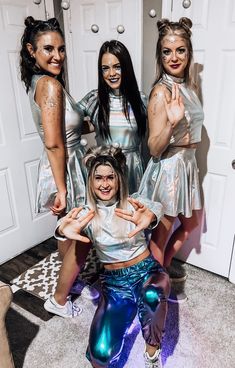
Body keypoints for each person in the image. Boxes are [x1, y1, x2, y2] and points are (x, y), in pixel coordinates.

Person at [45, 146, 170, 368]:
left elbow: (156, 207)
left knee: (152, 294)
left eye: (110, 177)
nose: (104, 184)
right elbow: (65, 224)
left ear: (118, 179)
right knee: (100, 358)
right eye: (98, 178)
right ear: (91, 182)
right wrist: (61, 230)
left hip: (146, 271)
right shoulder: (87, 213)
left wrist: (151, 217)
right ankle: (131, 312)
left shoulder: (133, 202)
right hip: (115, 285)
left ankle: (152, 354)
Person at [19, 16, 98, 302]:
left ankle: (71, 282)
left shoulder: (42, 81)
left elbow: (64, 128)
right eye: (48, 49)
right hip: (64, 165)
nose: (57, 56)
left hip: (67, 161)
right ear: (31, 50)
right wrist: (62, 189)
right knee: (80, 233)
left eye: (61, 49)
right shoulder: (49, 86)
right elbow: (53, 143)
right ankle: (59, 300)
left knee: (68, 232)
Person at [138, 18, 204, 301]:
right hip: (169, 169)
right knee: (159, 237)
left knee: (190, 225)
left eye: (180, 50)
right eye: (167, 51)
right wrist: (171, 123)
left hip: (187, 165)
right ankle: (151, 294)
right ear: (159, 55)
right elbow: (153, 147)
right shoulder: (161, 91)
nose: (174, 57)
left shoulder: (188, 86)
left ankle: (160, 271)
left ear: (189, 53)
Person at [79, 40, 147, 194]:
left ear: (127, 68)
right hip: (105, 171)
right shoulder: (93, 99)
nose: (111, 73)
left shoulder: (140, 99)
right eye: (105, 68)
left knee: (131, 215)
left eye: (117, 67)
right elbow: (70, 121)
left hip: (132, 170)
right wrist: (93, 125)